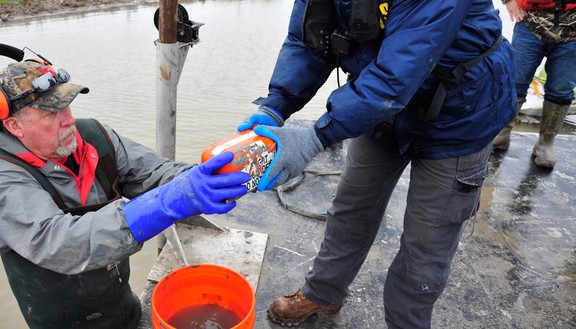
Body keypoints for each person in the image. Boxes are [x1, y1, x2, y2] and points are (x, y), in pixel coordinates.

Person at [237, 0, 515, 327]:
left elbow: (395, 77)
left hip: (459, 116)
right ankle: (322, 295)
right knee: (350, 208)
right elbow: (307, 41)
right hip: (381, 112)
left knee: (426, 243)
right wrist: (276, 105)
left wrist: (315, 138)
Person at [0, 49, 250, 329]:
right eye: (51, 113)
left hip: (123, 311)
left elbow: (156, 173)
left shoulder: (95, 137)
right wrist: (165, 203)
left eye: (66, 105)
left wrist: (215, 175)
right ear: (14, 125)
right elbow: (60, 243)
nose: (68, 120)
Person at [492, 0, 576, 168]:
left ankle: (545, 144)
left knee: (561, 90)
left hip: (573, 32)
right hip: (530, 22)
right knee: (515, 82)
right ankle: (500, 133)